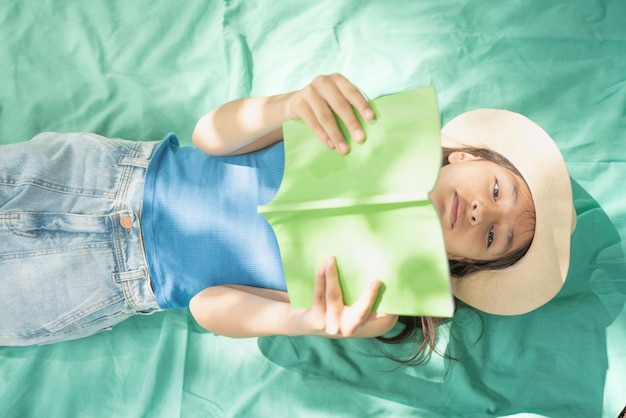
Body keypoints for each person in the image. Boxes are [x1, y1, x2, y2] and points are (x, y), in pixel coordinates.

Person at [0, 74, 575, 356]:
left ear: (464, 262)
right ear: (469, 155)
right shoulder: (361, 129)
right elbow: (210, 135)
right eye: (497, 189)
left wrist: (305, 320)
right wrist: (288, 105)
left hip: (107, 279)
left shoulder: (375, 302)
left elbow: (206, 306)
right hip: (104, 175)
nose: (481, 212)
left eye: (494, 236)